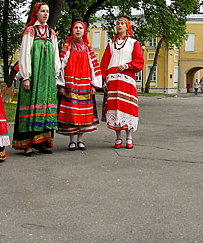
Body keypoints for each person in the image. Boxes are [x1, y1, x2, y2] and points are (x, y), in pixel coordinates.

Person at [12, 2, 61, 156]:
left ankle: (44, 142)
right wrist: (26, 76)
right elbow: (25, 53)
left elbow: (56, 56)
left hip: (46, 78)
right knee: (31, 105)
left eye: (47, 11)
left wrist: (55, 76)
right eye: (42, 11)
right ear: (36, 13)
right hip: (34, 76)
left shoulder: (52, 33)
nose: (45, 14)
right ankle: (28, 144)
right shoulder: (30, 32)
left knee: (46, 107)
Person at [57, 21, 103, 151]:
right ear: (73, 31)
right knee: (72, 112)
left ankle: (80, 140)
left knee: (82, 113)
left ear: (84, 32)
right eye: (76, 28)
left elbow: (93, 66)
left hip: (84, 84)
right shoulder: (67, 47)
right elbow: (61, 66)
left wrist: (94, 84)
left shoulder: (88, 48)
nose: (78, 30)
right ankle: (72, 140)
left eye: (80, 28)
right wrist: (61, 85)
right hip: (70, 84)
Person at [102, 17, 145, 148]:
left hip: (127, 79)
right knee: (115, 109)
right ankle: (118, 137)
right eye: (118, 24)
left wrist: (127, 66)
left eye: (122, 24)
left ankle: (129, 137)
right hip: (113, 80)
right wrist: (104, 80)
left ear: (127, 27)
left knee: (128, 107)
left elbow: (139, 61)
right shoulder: (111, 44)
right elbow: (104, 63)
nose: (119, 25)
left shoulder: (133, 43)